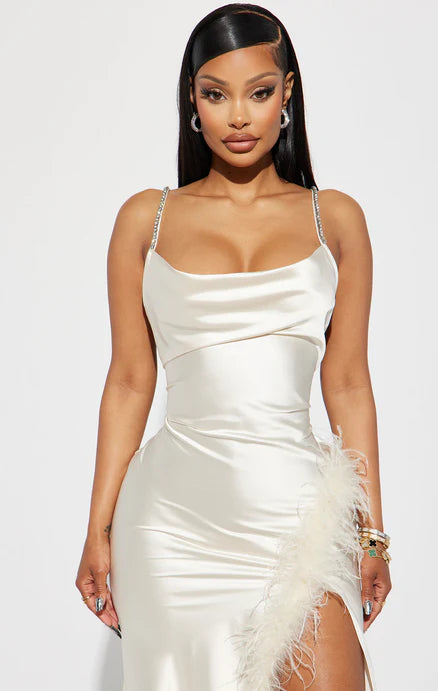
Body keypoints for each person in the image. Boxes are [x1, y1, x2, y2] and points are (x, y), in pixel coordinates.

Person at [75, 4, 392, 690]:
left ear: (287, 93)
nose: (239, 117)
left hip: (299, 514)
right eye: (216, 95)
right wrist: (98, 528)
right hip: (170, 524)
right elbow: (129, 381)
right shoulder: (145, 220)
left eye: (259, 92)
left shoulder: (334, 219)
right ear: (192, 102)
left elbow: (347, 383)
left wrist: (372, 532)